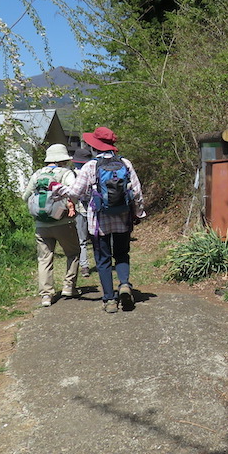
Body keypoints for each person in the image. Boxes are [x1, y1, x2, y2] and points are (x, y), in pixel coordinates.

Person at [53, 126, 146, 314]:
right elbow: (136, 192)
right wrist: (138, 213)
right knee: (121, 254)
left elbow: (76, 193)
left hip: (99, 221)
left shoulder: (90, 166)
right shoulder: (125, 164)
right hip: (122, 218)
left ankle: (110, 300)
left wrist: (58, 189)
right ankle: (125, 284)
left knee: (103, 260)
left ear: (95, 146)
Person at [21, 143, 80, 306]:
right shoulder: (66, 173)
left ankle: (46, 295)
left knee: (44, 259)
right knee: (73, 252)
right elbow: (74, 192)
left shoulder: (37, 174)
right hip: (63, 222)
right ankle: (69, 286)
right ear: (63, 159)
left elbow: (25, 196)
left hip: (41, 224)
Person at [71, 145, 95, 283]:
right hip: (95, 209)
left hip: (80, 209)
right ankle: (102, 262)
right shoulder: (93, 171)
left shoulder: (73, 174)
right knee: (96, 238)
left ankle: (84, 266)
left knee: (82, 240)